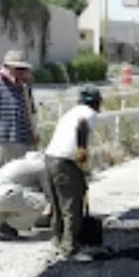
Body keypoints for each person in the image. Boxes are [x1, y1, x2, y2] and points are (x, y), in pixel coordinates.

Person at [43, 85, 101, 262]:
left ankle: (57, 242)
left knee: (58, 205)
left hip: (50, 159)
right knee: (71, 206)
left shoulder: (71, 112)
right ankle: (70, 249)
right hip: (65, 162)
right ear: (97, 102)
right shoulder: (89, 113)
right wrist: (82, 150)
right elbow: (82, 125)